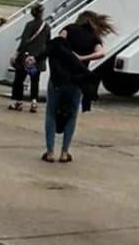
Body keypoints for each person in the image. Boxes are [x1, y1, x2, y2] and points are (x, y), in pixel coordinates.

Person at [43, 11, 114, 163]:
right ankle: (64, 152)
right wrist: (83, 58)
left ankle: (49, 152)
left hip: (59, 78)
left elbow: (58, 43)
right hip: (77, 81)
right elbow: (101, 53)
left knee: (51, 113)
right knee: (72, 115)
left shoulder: (68, 29)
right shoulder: (94, 38)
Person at [8, 3, 50, 113]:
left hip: (26, 58)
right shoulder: (46, 26)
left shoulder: (29, 25)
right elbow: (47, 42)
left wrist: (16, 54)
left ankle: (18, 102)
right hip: (37, 59)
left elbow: (24, 42)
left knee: (19, 80)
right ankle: (34, 102)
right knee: (35, 80)